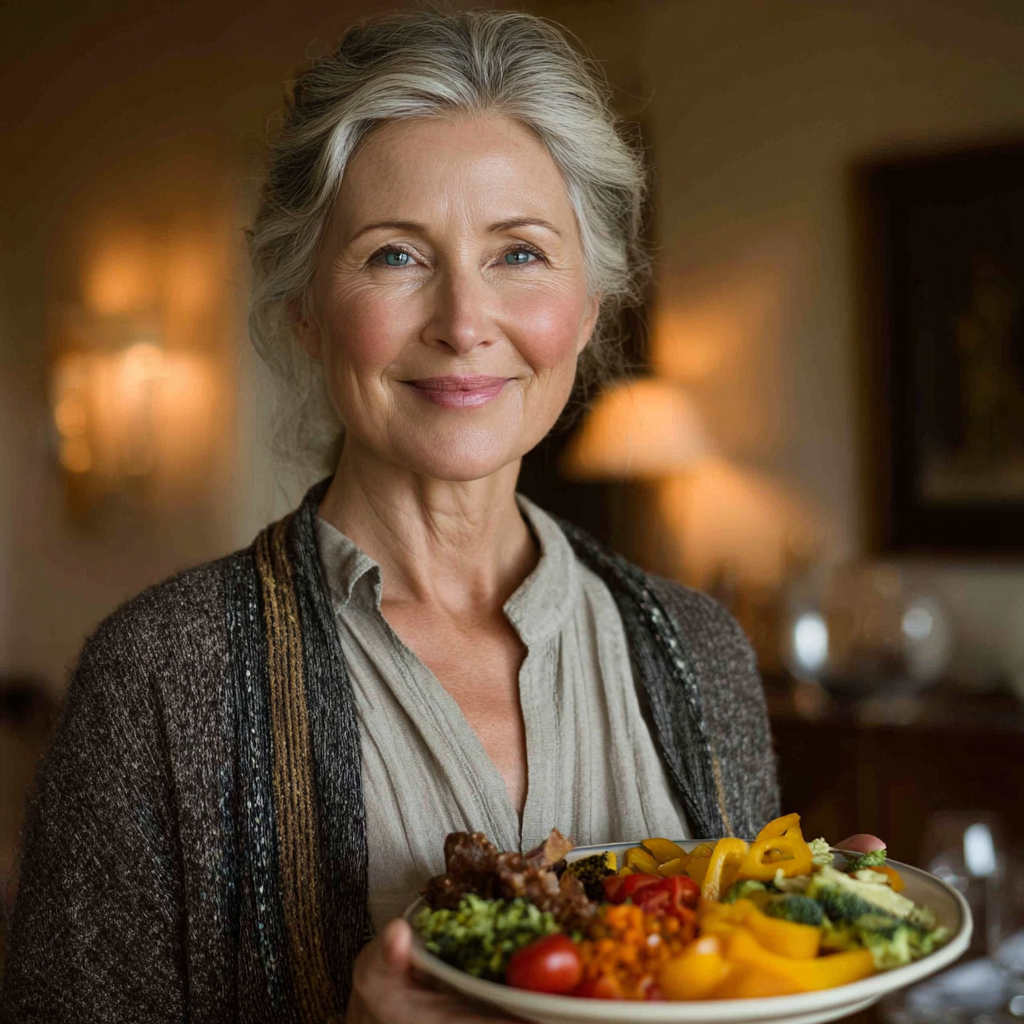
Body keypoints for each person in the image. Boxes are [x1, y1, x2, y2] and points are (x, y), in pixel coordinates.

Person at [0, 9, 882, 1023]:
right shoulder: (155, 679)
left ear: (588, 303)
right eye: (394, 255)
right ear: (303, 303)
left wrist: (820, 962)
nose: (464, 324)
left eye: (518, 254)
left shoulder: (699, 653)